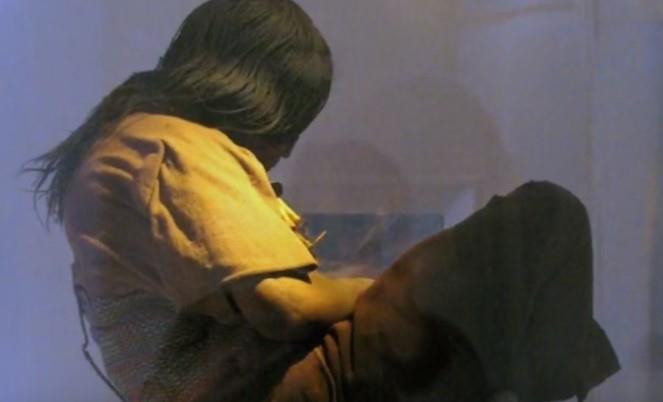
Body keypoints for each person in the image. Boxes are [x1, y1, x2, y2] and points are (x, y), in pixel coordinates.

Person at [24, 1, 619, 401]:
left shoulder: (134, 144)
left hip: (262, 382)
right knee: (543, 216)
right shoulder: (170, 146)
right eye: (289, 121)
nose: (286, 149)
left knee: (514, 270)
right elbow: (283, 306)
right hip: (285, 386)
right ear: (255, 91)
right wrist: (378, 289)